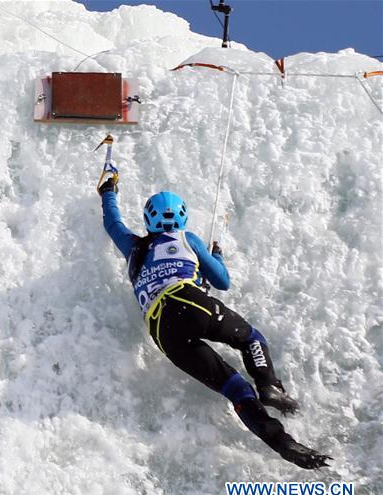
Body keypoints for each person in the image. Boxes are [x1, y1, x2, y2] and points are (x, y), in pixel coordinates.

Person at [98, 176, 330, 469]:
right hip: (185, 300)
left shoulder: (133, 248)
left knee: (234, 390)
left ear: (148, 220)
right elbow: (222, 281)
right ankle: (269, 386)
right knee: (251, 339)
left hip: (162, 332)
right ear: (182, 218)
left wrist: (108, 190)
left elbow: (112, 223)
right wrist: (215, 257)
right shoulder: (187, 239)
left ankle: (283, 444)